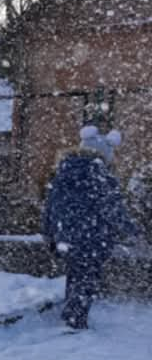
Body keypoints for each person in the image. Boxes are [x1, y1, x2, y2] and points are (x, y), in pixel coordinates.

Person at [41, 126, 140, 330]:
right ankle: (76, 321)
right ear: (104, 155)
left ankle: (70, 313)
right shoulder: (102, 177)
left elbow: (49, 208)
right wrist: (133, 231)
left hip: (65, 237)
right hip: (92, 237)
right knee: (87, 280)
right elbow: (114, 210)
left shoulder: (61, 173)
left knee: (75, 274)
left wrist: (50, 234)